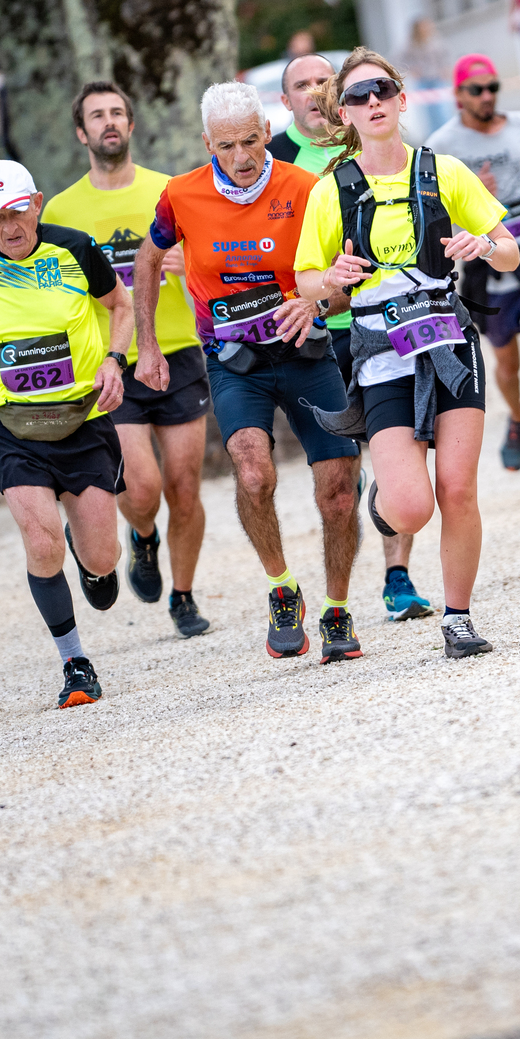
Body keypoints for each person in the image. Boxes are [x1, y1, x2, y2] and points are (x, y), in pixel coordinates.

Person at [294, 48, 520, 659]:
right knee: (412, 508)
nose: (372, 103)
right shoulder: (330, 191)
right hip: (381, 353)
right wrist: (331, 278)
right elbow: (306, 282)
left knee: (458, 489)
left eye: (382, 91)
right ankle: (385, 497)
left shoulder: (444, 172)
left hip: (450, 343)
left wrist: (482, 245)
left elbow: (510, 251)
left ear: (400, 99)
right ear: (343, 113)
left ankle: (458, 618)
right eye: (358, 96)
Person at [134, 81, 365, 664]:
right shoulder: (180, 195)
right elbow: (148, 257)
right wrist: (147, 344)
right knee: (253, 470)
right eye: (226, 145)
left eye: (250, 141)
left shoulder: (305, 188)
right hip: (234, 362)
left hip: (305, 351)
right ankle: (281, 589)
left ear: (267, 131)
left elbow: (348, 276)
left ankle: (338, 609)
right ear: (207, 143)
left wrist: (316, 303)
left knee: (339, 490)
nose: (241, 157)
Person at [0, 159, 132, 709]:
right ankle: (75, 663)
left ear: (37, 203)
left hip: (83, 419)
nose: (10, 226)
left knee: (101, 559)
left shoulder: (75, 249)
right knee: (40, 541)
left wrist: (115, 360)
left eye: (18, 211)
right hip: (14, 426)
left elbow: (120, 305)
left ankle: (88, 553)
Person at [267, 52, 437, 620]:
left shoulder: (384, 142)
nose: (315, 90)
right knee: (343, 471)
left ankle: (398, 575)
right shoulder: (275, 158)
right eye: (302, 84)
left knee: (404, 448)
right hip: (316, 329)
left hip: (386, 322)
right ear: (286, 100)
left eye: (324, 80)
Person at [43, 81, 212, 638]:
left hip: (176, 349)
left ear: (132, 125)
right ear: (81, 132)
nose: (109, 121)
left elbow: (212, 258)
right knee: (140, 489)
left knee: (184, 486)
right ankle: (143, 536)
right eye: (97, 115)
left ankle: (183, 597)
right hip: (109, 362)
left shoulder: (170, 190)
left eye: (117, 112)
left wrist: (188, 262)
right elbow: (49, 291)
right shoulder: (62, 210)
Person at [427, 54, 520, 494]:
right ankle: (519, 415)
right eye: (477, 90)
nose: (487, 96)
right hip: (485, 258)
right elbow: (431, 214)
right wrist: (475, 201)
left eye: (493, 87)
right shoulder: (441, 144)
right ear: (458, 95)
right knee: (506, 365)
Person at [398, 18, 454, 136]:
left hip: (437, 79)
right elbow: (400, 58)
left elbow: (445, 56)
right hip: (423, 81)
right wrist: (411, 69)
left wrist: (445, 69)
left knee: (442, 110)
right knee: (429, 113)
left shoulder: (435, 41)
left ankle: (447, 134)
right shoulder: (411, 45)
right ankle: (435, 136)